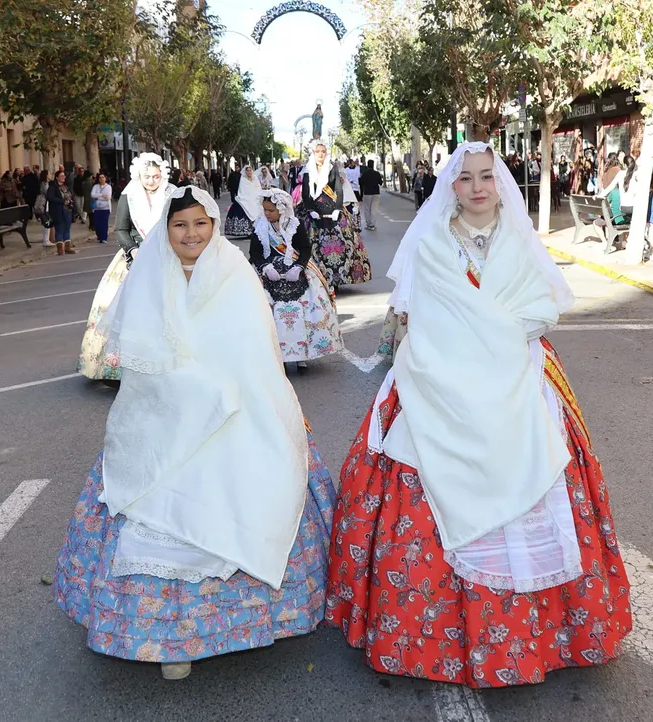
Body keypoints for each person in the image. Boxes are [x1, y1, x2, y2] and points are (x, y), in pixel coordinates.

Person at [326, 142, 631, 687]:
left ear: (499, 182)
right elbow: (428, 315)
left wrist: (499, 336)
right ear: (451, 185)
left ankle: (542, 634)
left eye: (486, 176)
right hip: (438, 375)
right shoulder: (433, 244)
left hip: (518, 374)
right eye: (465, 178)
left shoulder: (518, 237)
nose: (477, 186)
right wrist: (485, 338)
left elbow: (539, 305)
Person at [55, 185, 336, 681]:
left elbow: (258, 350)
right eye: (180, 225)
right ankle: (165, 637)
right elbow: (140, 360)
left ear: (213, 225)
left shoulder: (237, 275)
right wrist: (189, 391)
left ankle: (250, 620)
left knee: (258, 487)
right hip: (166, 416)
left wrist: (264, 400)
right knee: (157, 509)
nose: (191, 234)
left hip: (238, 411)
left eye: (200, 223)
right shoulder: (149, 278)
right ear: (166, 230)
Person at [78, 154, 175, 381]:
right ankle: (121, 368)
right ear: (139, 175)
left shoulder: (171, 193)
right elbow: (121, 229)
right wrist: (132, 250)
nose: (151, 181)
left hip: (166, 257)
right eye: (147, 176)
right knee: (122, 311)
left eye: (156, 176)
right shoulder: (129, 195)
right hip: (134, 258)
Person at [249, 188, 342, 374]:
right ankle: (279, 356)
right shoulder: (260, 226)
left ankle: (301, 357)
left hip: (295, 269)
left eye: (271, 211)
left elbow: (305, 248)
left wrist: (298, 267)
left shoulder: (295, 225)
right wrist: (265, 268)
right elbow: (255, 252)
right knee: (272, 314)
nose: (267, 214)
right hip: (269, 271)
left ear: (282, 210)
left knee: (303, 311)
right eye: (265, 210)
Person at [302, 142, 372, 289]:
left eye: (323, 151)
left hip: (333, 211)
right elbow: (305, 194)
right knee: (310, 244)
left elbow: (339, 191)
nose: (321, 154)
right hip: (314, 213)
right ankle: (316, 277)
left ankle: (336, 279)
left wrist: (338, 209)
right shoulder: (308, 172)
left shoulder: (332, 169)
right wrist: (311, 210)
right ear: (313, 154)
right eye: (318, 151)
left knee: (344, 242)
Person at [225, 165, 262, 239]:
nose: (249, 172)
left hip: (255, 197)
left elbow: (258, 188)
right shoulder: (243, 179)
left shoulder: (255, 178)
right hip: (245, 198)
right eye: (247, 171)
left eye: (250, 170)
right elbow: (243, 190)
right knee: (244, 206)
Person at [47, 169, 76, 255]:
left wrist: (70, 201)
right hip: (58, 211)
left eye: (64, 176)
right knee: (59, 229)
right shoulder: (53, 187)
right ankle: (60, 249)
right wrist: (62, 201)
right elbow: (50, 197)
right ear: (57, 177)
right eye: (61, 176)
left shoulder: (65, 186)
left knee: (67, 229)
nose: (63, 178)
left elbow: (70, 195)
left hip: (68, 210)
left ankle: (67, 247)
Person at [358, 159, 383, 231]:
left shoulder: (364, 174)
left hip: (367, 193)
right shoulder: (377, 173)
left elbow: (361, 183)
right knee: (374, 209)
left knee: (367, 209)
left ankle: (368, 224)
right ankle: (372, 224)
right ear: (373, 164)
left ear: (367, 165)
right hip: (376, 193)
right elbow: (380, 183)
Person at [90, 172, 112, 244]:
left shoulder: (108, 187)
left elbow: (108, 197)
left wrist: (98, 197)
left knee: (104, 223)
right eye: (100, 177)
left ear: (105, 178)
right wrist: (102, 195)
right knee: (97, 224)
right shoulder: (95, 186)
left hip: (105, 208)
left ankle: (104, 237)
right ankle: (99, 237)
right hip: (97, 208)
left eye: (103, 177)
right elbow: (92, 195)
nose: (101, 179)